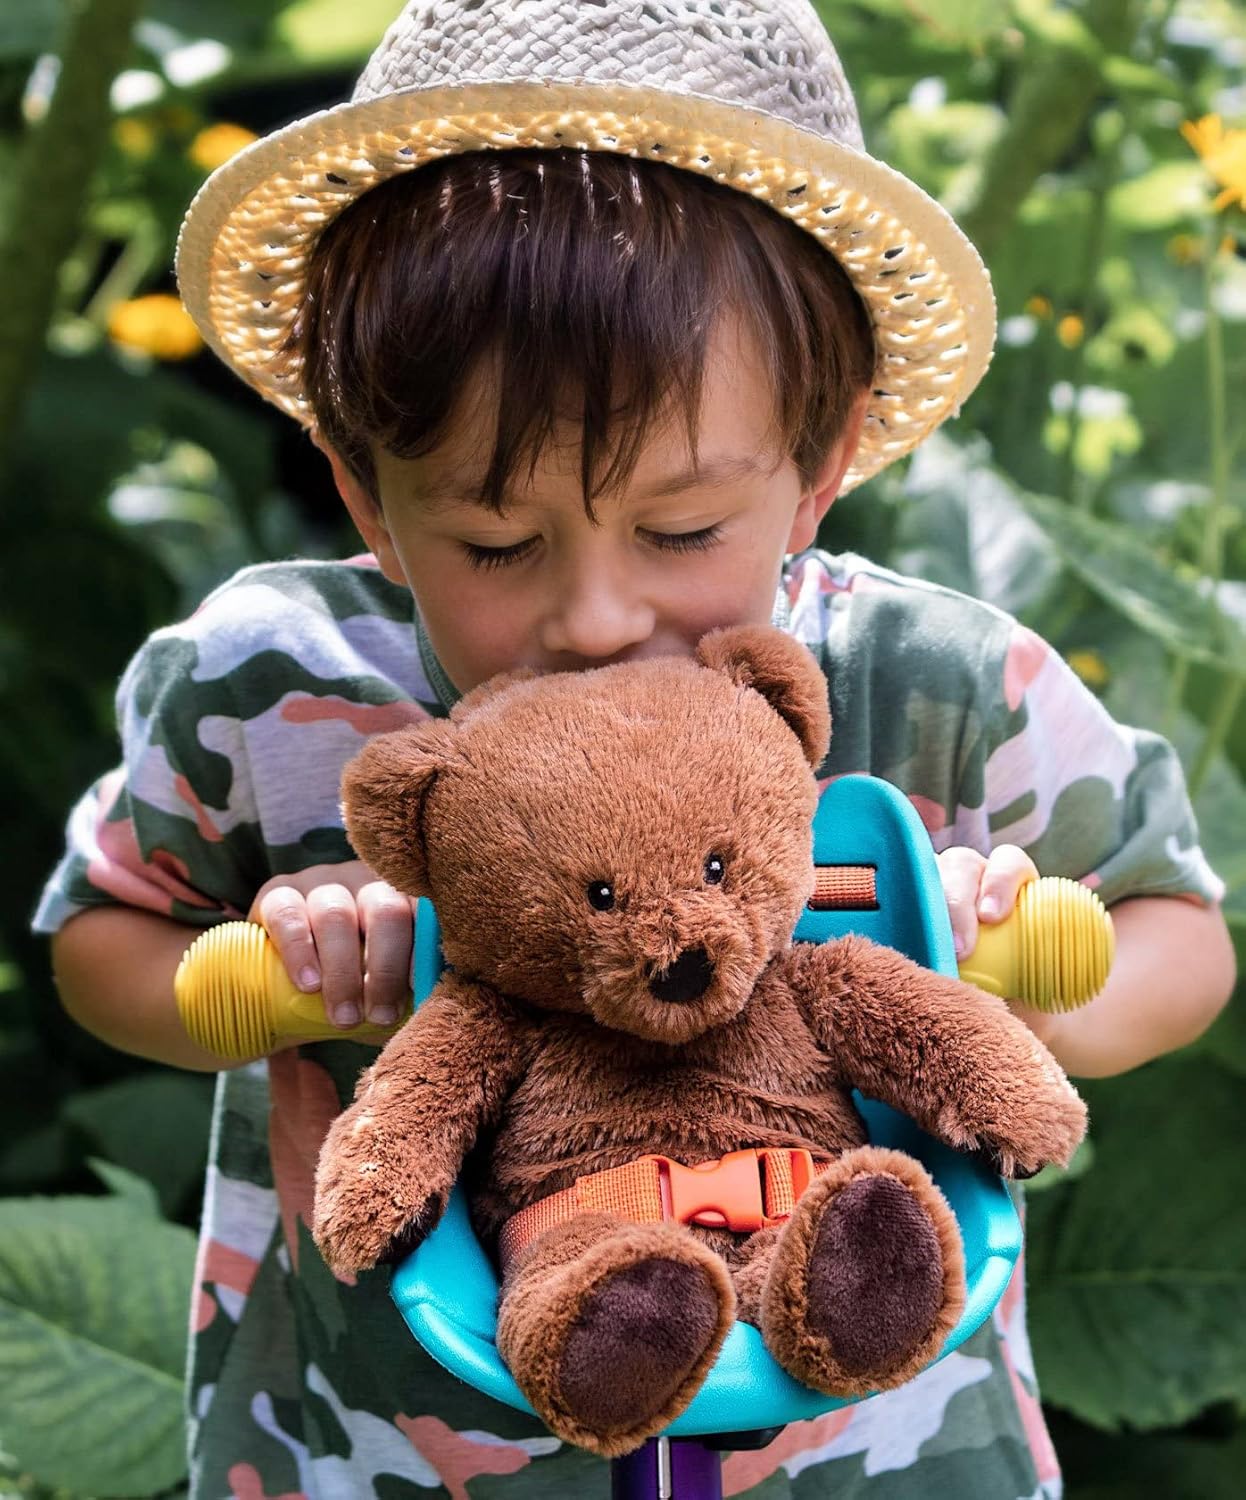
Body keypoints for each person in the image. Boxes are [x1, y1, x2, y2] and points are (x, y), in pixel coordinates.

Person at [37, 2, 1233, 1496]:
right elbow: (99, 942)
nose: (595, 618)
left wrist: (1029, 980)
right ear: (365, 493)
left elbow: (1181, 933)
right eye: (494, 541)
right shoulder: (269, 687)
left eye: (681, 529)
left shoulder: (932, 684)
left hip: (874, 1458)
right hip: (380, 1458)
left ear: (820, 465)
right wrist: (267, 982)